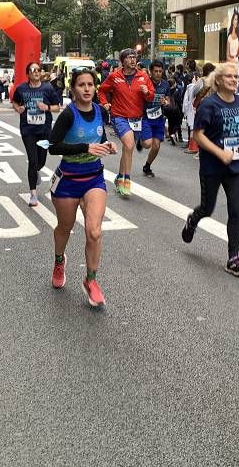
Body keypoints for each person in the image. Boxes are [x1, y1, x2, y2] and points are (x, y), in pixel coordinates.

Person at [181, 62, 239, 277]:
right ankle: (193, 219)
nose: (234, 80)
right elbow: (198, 135)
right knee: (208, 208)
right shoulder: (209, 105)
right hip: (212, 165)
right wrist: (219, 153)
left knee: (236, 210)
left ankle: (233, 258)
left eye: (236, 77)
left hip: (236, 165)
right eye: (229, 77)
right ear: (218, 80)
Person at [48, 69, 118, 308]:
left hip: (93, 179)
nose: (87, 89)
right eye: (81, 85)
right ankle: (59, 261)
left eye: (90, 85)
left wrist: (107, 146)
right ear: (73, 89)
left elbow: (97, 140)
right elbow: (53, 147)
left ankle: (91, 280)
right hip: (68, 180)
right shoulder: (68, 115)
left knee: (94, 232)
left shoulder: (101, 111)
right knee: (65, 228)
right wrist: (84, 148)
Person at [97, 48, 154, 197]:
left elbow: (151, 97)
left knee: (128, 149)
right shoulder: (114, 76)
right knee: (129, 145)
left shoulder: (143, 76)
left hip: (137, 118)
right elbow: (101, 91)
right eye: (129, 57)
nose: (133, 60)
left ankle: (119, 177)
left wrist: (146, 92)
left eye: (134, 57)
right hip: (119, 116)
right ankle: (126, 181)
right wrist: (104, 103)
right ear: (123, 61)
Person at [11, 61, 62, 207]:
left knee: (41, 161)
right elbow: (14, 102)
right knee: (32, 161)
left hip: (44, 130)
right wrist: (18, 108)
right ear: (28, 74)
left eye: (38, 70)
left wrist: (46, 107)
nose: (36, 72)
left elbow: (57, 107)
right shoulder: (21, 89)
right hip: (28, 130)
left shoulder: (48, 88)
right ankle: (33, 193)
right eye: (32, 70)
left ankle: (36, 170)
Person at [139, 59, 170, 177]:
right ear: (150, 72)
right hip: (145, 117)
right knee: (147, 144)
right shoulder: (145, 83)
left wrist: (166, 102)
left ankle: (147, 166)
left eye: (160, 71)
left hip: (158, 118)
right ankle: (140, 139)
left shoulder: (165, 84)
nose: (158, 73)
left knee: (156, 146)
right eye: (155, 71)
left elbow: (169, 100)